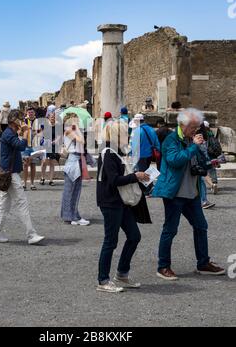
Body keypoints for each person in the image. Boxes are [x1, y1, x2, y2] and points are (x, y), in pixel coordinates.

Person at [153, 108, 225, 281]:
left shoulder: (193, 139)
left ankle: (203, 263)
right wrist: (194, 146)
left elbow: (198, 163)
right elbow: (174, 160)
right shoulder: (171, 140)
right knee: (170, 230)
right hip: (175, 193)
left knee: (201, 226)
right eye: (193, 127)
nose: (196, 131)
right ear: (182, 125)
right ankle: (163, 266)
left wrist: (212, 163)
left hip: (192, 193)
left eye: (197, 127)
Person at [96, 120, 151, 293]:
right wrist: (136, 176)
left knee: (134, 236)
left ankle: (121, 274)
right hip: (111, 202)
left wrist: (140, 178)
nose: (128, 136)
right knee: (110, 241)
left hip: (121, 201)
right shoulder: (109, 153)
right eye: (125, 133)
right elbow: (114, 181)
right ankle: (103, 280)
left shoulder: (116, 152)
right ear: (117, 135)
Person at [0, 110, 45, 245]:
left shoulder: (9, 133)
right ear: (14, 121)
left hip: (8, 173)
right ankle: (31, 235)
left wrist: (23, 158)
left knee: (3, 206)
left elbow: (12, 152)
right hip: (10, 175)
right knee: (22, 203)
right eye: (21, 119)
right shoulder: (8, 133)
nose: (23, 122)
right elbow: (20, 146)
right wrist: (25, 133)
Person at [61, 113, 90, 226]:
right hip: (73, 163)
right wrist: (77, 129)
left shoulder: (71, 131)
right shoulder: (69, 131)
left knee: (74, 191)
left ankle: (72, 215)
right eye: (76, 120)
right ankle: (72, 216)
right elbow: (81, 141)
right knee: (71, 191)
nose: (78, 122)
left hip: (75, 161)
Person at [131, 114, 160, 195]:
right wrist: (157, 151)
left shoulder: (137, 130)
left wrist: (132, 155)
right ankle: (149, 187)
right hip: (150, 154)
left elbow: (135, 145)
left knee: (142, 172)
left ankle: (146, 189)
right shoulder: (151, 129)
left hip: (141, 155)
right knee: (148, 170)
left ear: (138, 121)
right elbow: (156, 142)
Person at [40, 113, 61, 186]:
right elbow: (40, 133)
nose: (53, 118)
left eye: (54, 117)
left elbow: (59, 135)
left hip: (53, 145)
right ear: (48, 117)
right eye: (51, 117)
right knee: (44, 161)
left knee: (52, 162)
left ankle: (51, 180)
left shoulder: (57, 125)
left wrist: (56, 140)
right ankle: (42, 177)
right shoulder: (44, 124)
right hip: (45, 144)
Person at [22, 108, 38, 191]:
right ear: (27, 113)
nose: (31, 113)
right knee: (25, 165)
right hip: (26, 146)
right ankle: (24, 183)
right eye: (29, 112)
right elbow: (20, 131)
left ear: (34, 113)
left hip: (35, 146)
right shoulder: (24, 121)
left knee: (33, 165)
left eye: (32, 112)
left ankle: (32, 184)